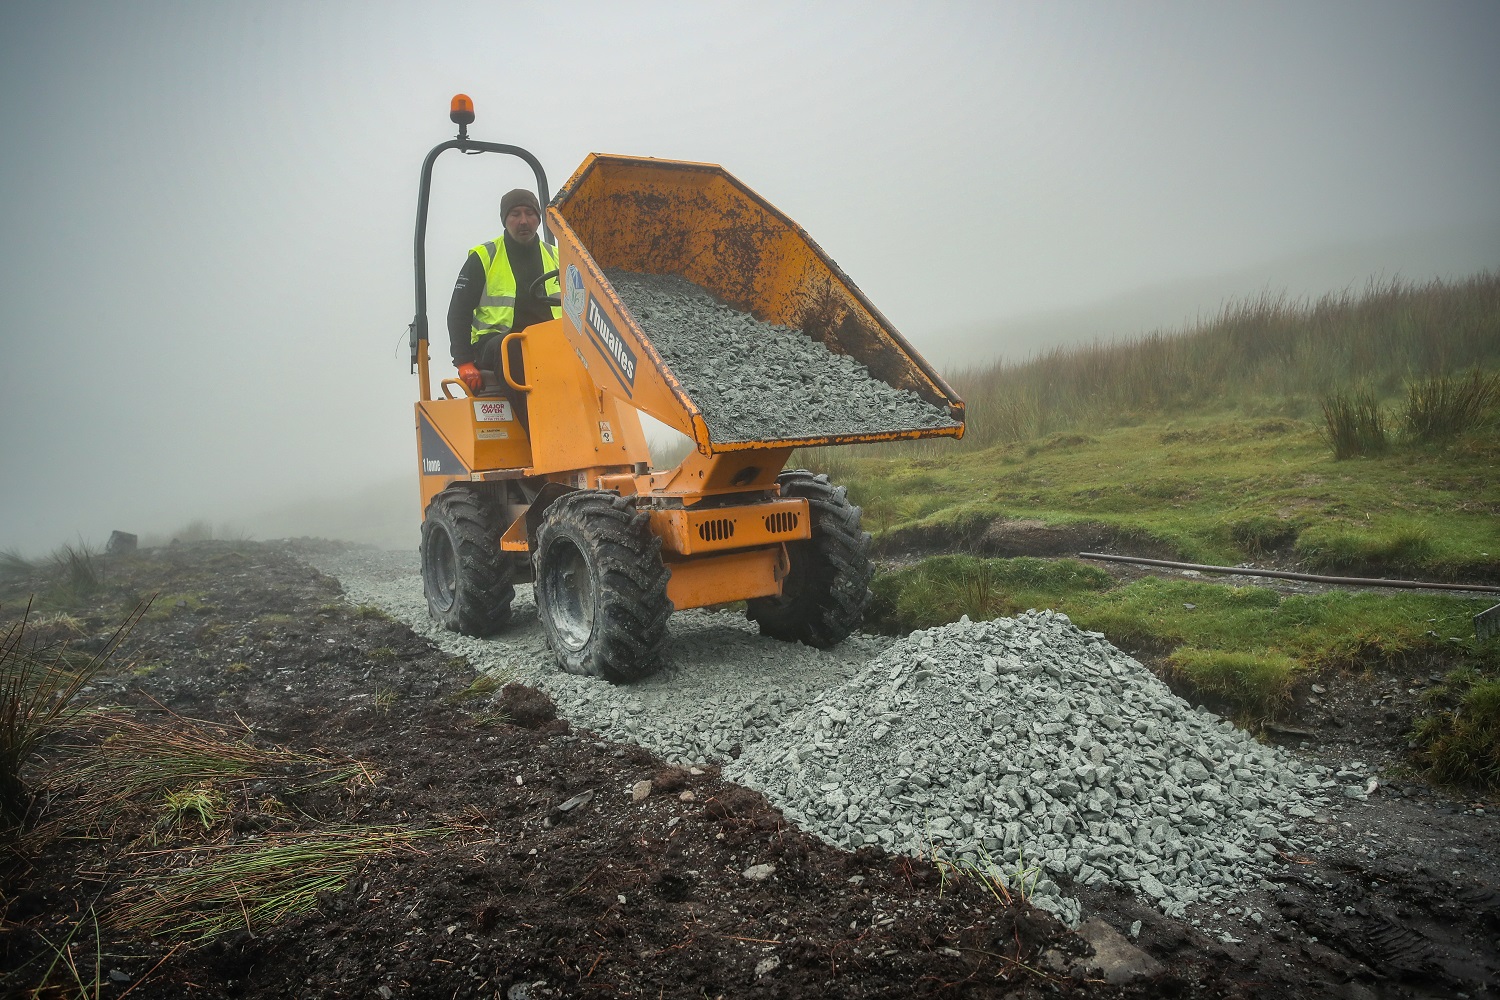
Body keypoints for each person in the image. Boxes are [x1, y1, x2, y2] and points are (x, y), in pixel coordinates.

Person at [446, 188, 562, 427]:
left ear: (539, 219)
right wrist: (463, 362)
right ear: (504, 220)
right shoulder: (483, 257)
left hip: (549, 342)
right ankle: (541, 433)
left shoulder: (558, 257)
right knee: (514, 347)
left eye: (530, 213)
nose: (523, 221)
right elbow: (458, 312)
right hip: (496, 344)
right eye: (515, 214)